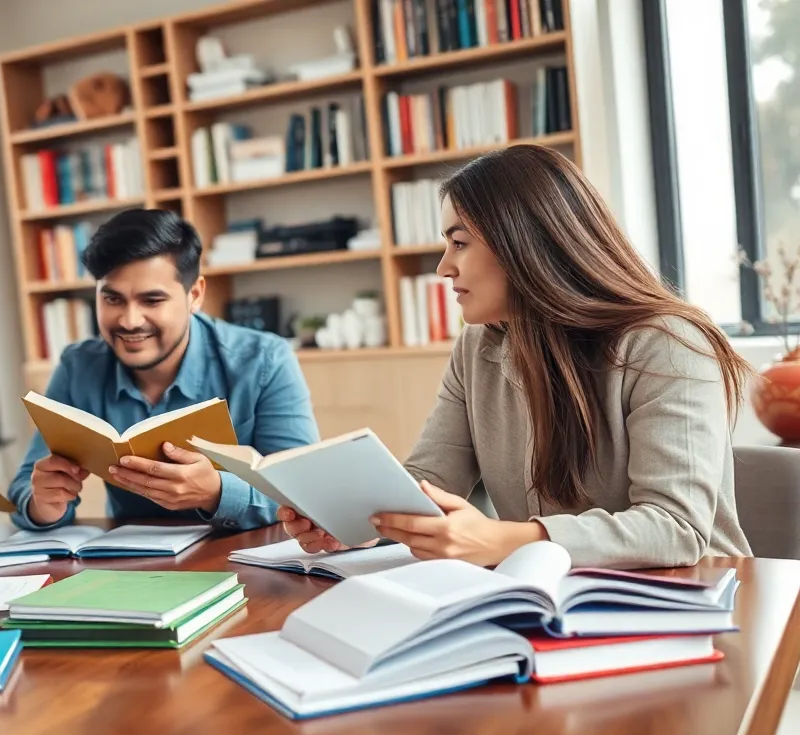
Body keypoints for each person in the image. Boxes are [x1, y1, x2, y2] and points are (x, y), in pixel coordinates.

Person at [283, 145, 753, 569]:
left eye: (459, 243)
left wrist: (504, 540)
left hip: (697, 599)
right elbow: (430, 481)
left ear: (525, 244)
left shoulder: (668, 344)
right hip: (551, 597)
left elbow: (676, 527)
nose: (444, 267)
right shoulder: (477, 347)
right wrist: (355, 521)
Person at [0, 208, 318, 530]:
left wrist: (217, 492)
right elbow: (26, 487)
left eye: (152, 300)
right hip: (133, 570)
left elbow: (305, 494)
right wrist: (44, 504)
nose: (129, 321)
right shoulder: (79, 367)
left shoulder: (264, 360)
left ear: (195, 294)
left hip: (249, 565)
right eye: (112, 299)